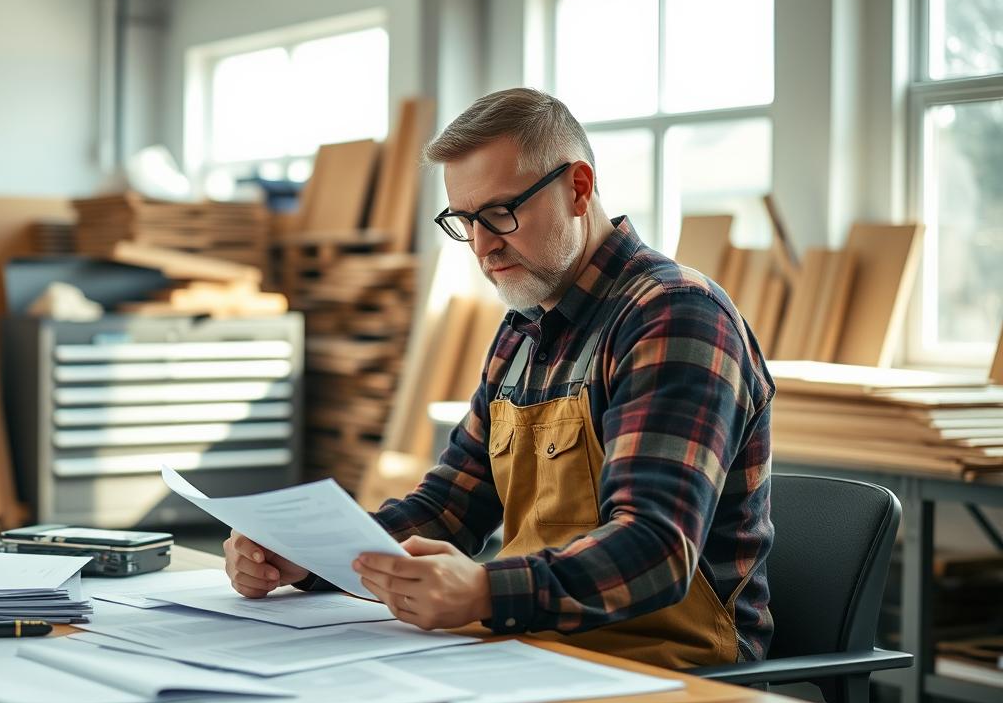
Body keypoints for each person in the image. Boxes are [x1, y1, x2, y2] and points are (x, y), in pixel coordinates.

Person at [224, 87, 775, 667]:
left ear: (578, 189)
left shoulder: (672, 315)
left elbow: (656, 549)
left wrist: (483, 591)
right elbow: (449, 506)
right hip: (537, 653)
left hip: (668, 676)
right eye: (464, 220)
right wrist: (311, 556)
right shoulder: (524, 330)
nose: (483, 245)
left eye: (499, 213)